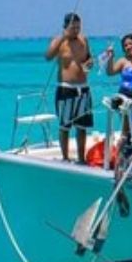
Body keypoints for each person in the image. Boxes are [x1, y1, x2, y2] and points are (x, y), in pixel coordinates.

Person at [44, 13, 93, 163]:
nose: (76, 30)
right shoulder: (59, 41)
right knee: (65, 125)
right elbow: (48, 56)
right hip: (66, 88)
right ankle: (65, 157)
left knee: (82, 126)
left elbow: (88, 58)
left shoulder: (83, 40)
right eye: (73, 27)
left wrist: (90, 63)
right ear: (66, 27)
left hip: (83, 88)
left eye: (78, 27)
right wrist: (62, 37)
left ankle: (81, 158)